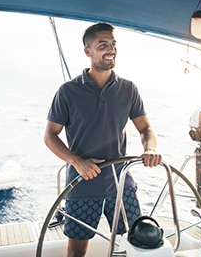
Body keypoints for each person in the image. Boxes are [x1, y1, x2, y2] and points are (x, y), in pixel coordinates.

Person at [44, 22, 162, 257]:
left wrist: (149, 148)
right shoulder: (67, 92)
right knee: (77, 249)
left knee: (136, 242)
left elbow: (145, 127)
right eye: (103, 45)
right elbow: (50, 135)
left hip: (121, 185)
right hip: (82, 184)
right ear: (88, 51)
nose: (111, 49)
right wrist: (76, 161)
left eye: (113, 44)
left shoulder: (129, 89)